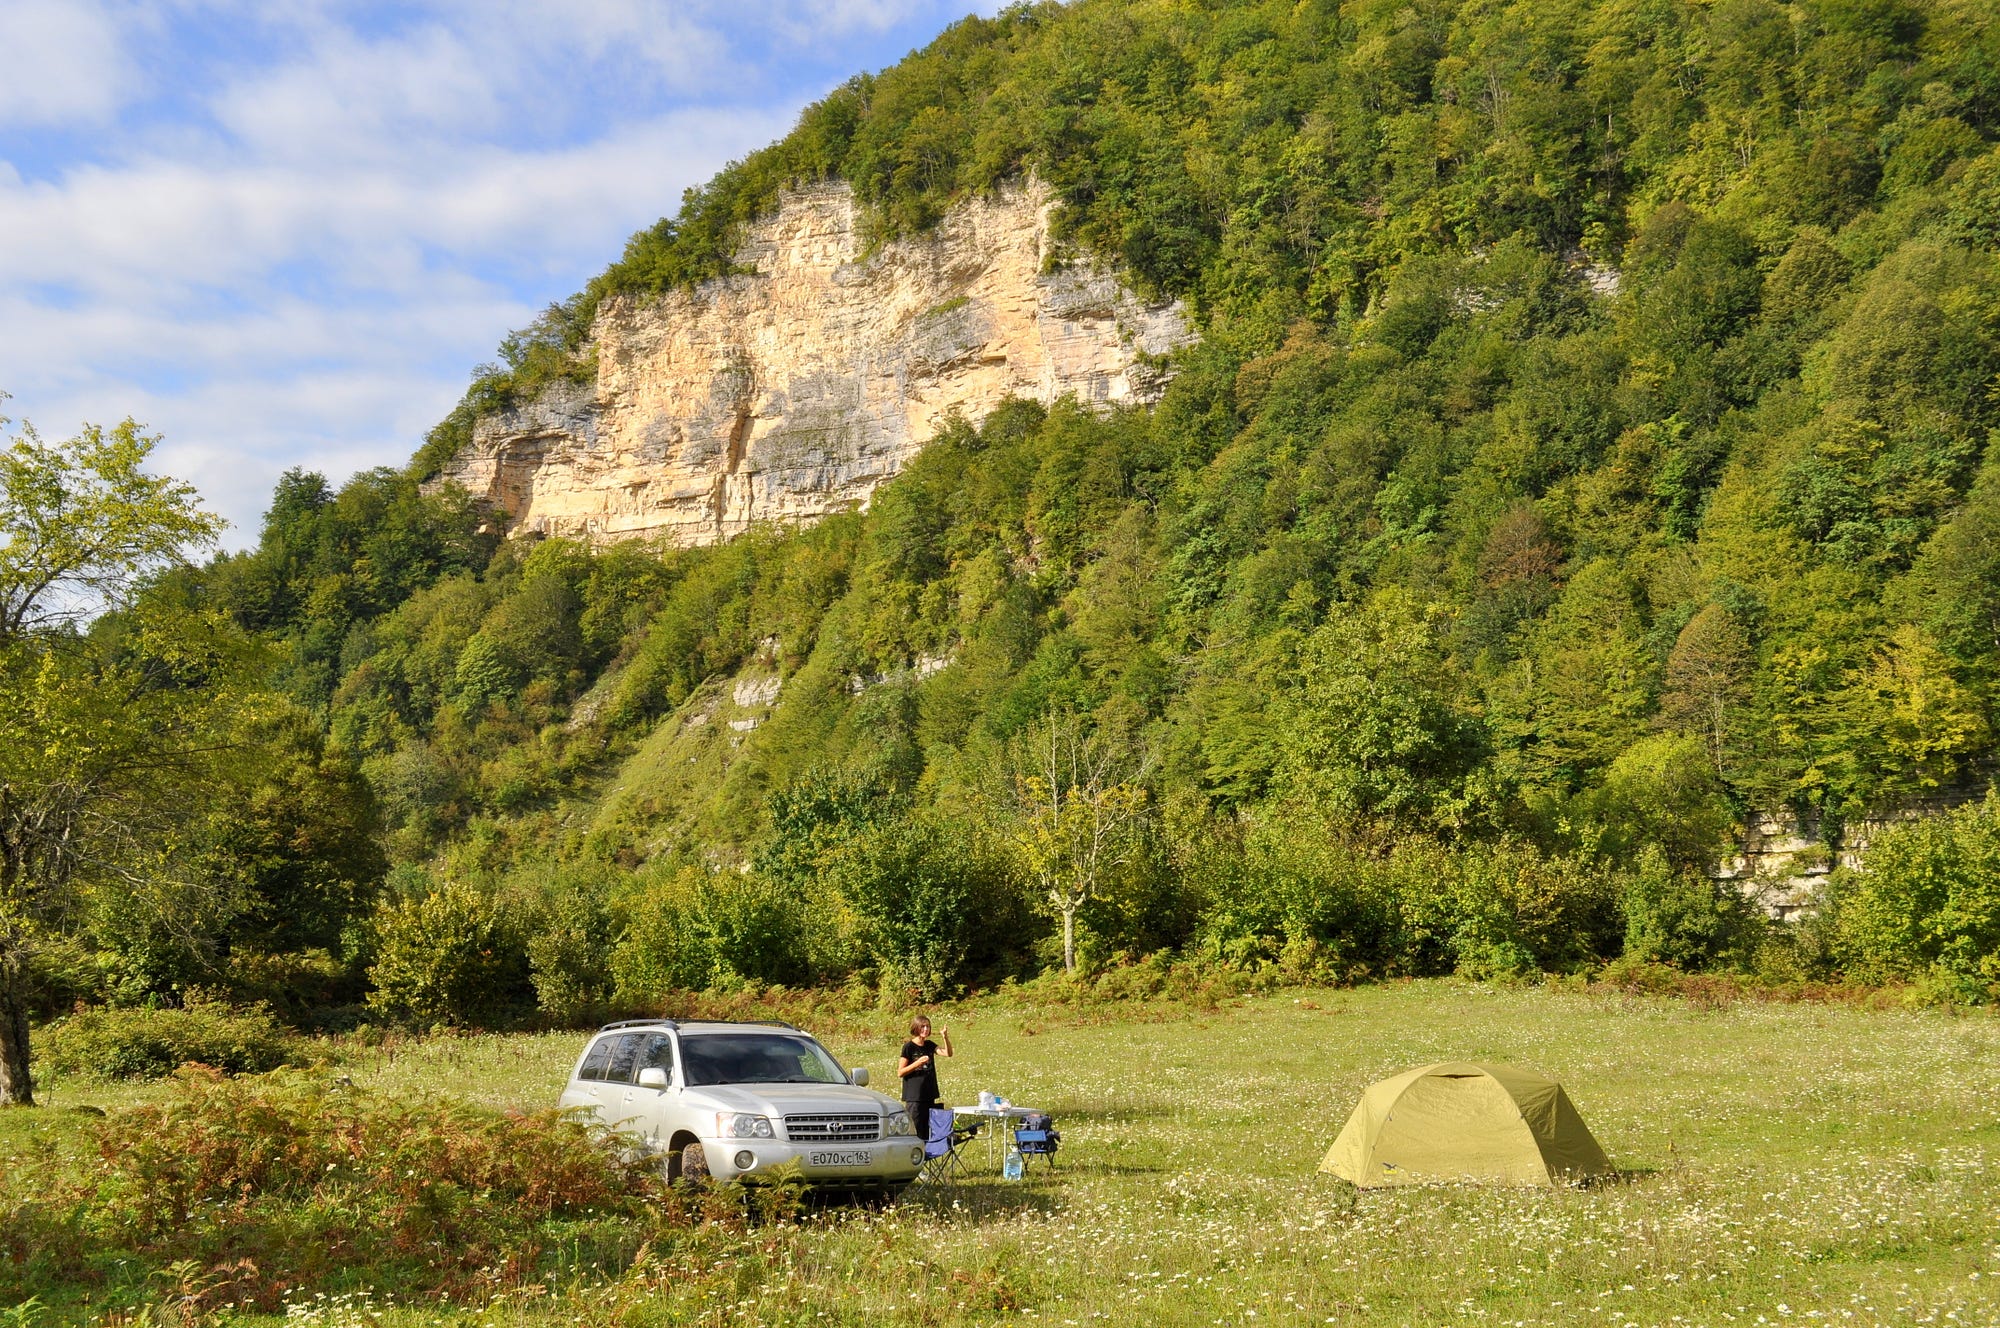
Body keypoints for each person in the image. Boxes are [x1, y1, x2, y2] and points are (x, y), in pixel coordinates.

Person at [897, 1014, 953, 1144]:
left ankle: (927, 1157)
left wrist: (945, 1037)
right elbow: (900, 1072)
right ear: (916, 1028)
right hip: (915, 1098)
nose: (926, 1029)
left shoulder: (929, 1045)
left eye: (928, 1026)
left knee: (929, 1133)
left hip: (929, 1095)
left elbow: (948, 1054)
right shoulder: (908, 1047)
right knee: (916, 1132)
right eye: (923, 1026)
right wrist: (918, 1063)